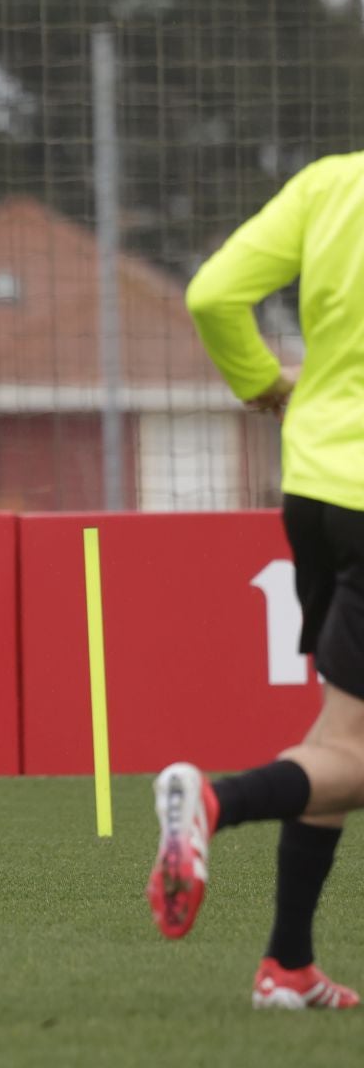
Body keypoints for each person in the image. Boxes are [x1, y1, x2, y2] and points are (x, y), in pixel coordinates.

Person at [149, 148, 364, 1008]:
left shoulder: (331, 183)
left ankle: (287, 965)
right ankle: (215, 800)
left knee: (342, 741)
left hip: (316, 486)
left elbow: (211, 294)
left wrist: (259, 384)